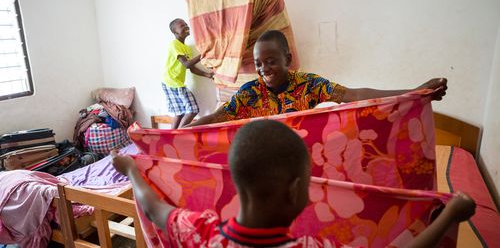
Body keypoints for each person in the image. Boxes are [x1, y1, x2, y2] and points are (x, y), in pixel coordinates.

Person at [112, 120, 475, 247]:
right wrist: (450, 215)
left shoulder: (202, 233)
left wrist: (131, 168)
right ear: (294, 190)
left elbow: (157, 210)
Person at [184, 30, 447, 127]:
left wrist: (414, 92)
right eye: (258, 64)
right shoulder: (249, 92)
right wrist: (180, 131)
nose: (263, 69)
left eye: (271, 61)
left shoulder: (310, 85)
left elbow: (354, 96)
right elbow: (218, 117)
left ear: (288, 59)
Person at [162, 18, 214, 129]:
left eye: (186, 24)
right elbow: (186, 64)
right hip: (171, 82)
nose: (186, 26)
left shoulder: (186, 48)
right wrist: (203, 54)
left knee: (180, 112)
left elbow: (191, 68)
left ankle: (172, 137)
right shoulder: (174, 44)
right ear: (175, 32)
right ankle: (179, 134)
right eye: (182, 26)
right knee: (192, 109)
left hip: (175, 82)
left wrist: (207, 75)